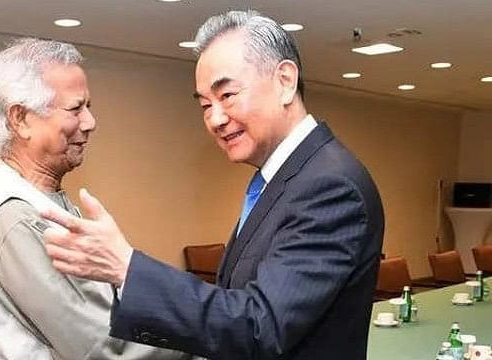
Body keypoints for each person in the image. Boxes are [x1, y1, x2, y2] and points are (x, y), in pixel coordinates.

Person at [42, 10, 385, 360]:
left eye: (227, 95)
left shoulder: (329, 185)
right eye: (206, 105)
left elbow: (260, 326)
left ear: (285, 80)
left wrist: (127, 268)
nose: (215, 119)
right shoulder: (284, 177)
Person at [0, 37, 190, 360]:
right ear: (20, 119)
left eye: (88, 107)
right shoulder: (16, 216)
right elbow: (102, 349)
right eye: (75, 108)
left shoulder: (39, 197)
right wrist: (206, 338)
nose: (90, 123)